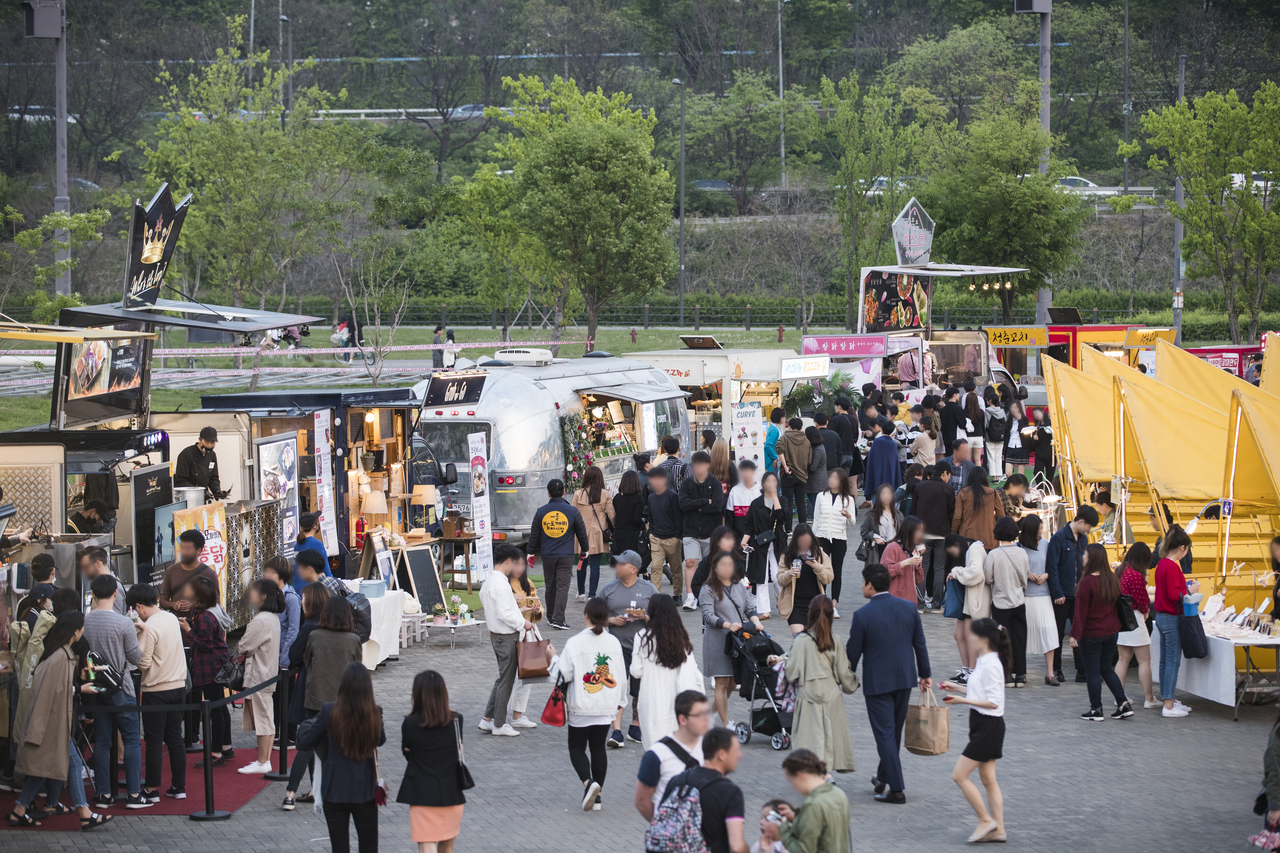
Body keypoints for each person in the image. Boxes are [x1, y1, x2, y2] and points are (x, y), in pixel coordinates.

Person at [9, 610, 113, 830]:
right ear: (76, 631)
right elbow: (52, 691)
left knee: (43, 768)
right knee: (72, 763)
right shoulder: (60, 656)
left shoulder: (58, 653)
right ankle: (84, 812)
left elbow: (53, 688)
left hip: (50, 723)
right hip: (52, 724)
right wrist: (79, 687)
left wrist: (77, 683)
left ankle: (19, 810)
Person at [846, 563, 932, 804]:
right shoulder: (908, 608)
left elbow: (853, 654)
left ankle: (896, 789)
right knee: (892, 732)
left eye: (863, 582)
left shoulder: (862, 615)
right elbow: (920, 643)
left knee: (885, 734)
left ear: (870, 585)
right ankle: (883, 777)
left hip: (878, 682)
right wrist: (925, 673)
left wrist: (844, 675)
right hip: (905, 678)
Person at [296, 662, 385, 853]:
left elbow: (306, 742)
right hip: (365, 790)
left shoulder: (329, 711)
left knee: (339, 847)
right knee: (369, 846)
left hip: (335, 789)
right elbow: (380, 740)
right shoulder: (374, 712)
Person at [551, 597, 627, 812]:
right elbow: (621, 674)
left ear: (586, 615)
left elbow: (562, 673)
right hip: (606, 704)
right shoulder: (613, 642)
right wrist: (621, 701)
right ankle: (598, 795)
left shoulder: (575, 642)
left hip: (581, 704)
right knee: (598, 748)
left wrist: (552, 658)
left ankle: (588, 783)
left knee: (576, 747)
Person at [940, 617, 1009, 843]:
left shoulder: (992, 664)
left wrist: (961, 701)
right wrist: (958, 687)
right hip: (983, 724)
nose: (968, 638)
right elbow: (978, 690)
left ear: (985, 640)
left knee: (959, 775)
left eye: (973, 635)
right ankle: (999, 830)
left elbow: (994, 702)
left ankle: (985, 820)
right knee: (989, 779)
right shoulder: (984, 660)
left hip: (988, 727)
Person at [83, 573, 148, 809]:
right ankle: (133, 795)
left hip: (96, 688)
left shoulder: (84, 622)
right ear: (115, 594)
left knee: (102, 742)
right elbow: (136, 658)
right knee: (131, 740)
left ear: (93, 595)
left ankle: (103, 795)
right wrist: (143, 634)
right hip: (122, 687)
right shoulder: (123, 623)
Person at [779, 596, 857, 774]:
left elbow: (791, 674)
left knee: (811, 743)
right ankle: (827, 776)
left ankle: (819, 779)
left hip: (809, 699)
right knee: (832, 741)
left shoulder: (801, 641)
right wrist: (853, 684)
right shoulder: (835, 640)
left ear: (810, 614)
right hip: (832, 698)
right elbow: (844, 674)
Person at [128, 583, 188, 803]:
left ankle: (152, 789)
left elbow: (142, 663)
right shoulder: (171, 617)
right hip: (178, 686)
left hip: (156, 688)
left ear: (139, 607)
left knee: (153, 740)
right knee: (175, 738)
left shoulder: (149, 626)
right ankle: (178, 786)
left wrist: (138, 635)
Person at [398, 670, 466, 853]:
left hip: (421, 792)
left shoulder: (410, 724)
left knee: (426, 843)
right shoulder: (456, 721)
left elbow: (407, 754)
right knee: (447, 848)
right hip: (451, 791)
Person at [281, 582, 333, 810]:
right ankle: (316, 788)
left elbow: (294, 655)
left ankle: (291, 791)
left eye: (304, 599)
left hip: (310, 690)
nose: (301, 603)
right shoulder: (335, 626)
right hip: (331, 692)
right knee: (316, 743)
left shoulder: (310, 628)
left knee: (306, 742)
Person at [599, 550, 658, 747]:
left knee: (639, 689)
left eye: (621, 564)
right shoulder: (608, 590)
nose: (617, 567)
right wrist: (611, 621)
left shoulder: (649, 590)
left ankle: (635, 726)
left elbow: (661, 618)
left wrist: (644, 618)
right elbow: (594, 619)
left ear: (633, 569)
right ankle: (616, 731)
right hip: (616, 648)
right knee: (616, 687)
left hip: (642, 648)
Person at [1070, 543, 1134, 721]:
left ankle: (1096, 709)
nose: (1083, 558)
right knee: (1106, 668)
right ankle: (1123, 703)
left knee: (1092, 670)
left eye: (1085, 555)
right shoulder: (1112, 578)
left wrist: (1075, 635)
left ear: (1091, 559)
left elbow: (1080, 613)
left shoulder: (1086, 582)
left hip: (1091, 633)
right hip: (1111, 630)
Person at [630, 597, 703, 750]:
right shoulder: (681, 637)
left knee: (655, 752)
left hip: (651, 701)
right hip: (677, 700)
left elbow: (636, 671)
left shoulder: (642, 637)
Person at [660, 727, 749, 853]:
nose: (740, 755)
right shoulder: (730, 792)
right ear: (722, 755)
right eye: (736, 751)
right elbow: (737, 847)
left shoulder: (677, 781)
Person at [700, 552, 764, 727]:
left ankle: (708, 713)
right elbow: (707, 615)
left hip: (737, 642)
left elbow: (750, 608)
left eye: (730, 564)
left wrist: (756, 621)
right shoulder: (708, 588)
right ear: (714, 567)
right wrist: (727, 625)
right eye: (723, 565)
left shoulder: (738, 586)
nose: (728, 568)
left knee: (732, 683)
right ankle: (727, 723)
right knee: (721, 682)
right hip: (717, 641)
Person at [479, 543, 535, 737]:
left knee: (503, 678)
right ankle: (500, 724)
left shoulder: (489, 582)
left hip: (497, 635)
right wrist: (523, 624)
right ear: (509, 561)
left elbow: (500, 612)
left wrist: (519, 614)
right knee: (506, 680)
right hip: (506, 636)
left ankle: (488, 719)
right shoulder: (501, 584)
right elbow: (504, 613)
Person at [634, 689, 710, 821]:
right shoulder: (657, 754)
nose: (706, 720)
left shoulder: (712, 748)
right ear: (683, 719)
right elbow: (641, 801)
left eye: (707, 713)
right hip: (671, 837)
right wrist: (663, 826)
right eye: (699, 715)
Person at [180, 576, 231, 770]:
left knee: (214, 709)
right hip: (217, 665)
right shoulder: (211, 612)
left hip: (209, 668)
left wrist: (188, 630)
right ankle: (226, 747)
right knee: (220, 706)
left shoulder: (204, 617)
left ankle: (216, 754)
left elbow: (205, 644)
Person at [756, 750, 851, 853]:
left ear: (801, 776)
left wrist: (783, 829)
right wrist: (797, 818)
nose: (793, 786)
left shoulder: (812, 805)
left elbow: (802, 850)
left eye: (792, 781)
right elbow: (825, 830)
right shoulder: (838, 793)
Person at [528, 479, 589, 630]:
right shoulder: (573, 511)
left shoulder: (541, 512)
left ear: (548, 494)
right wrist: (585, 549)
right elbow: (581, 532)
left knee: (550, 586)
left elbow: (534, 535)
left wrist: (530, 552)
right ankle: (558, 619)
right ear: (563, 492)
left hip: (548, 554)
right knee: (562, 587)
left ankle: (551, 617)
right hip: (565, 555)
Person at [237, 579, 283, 775]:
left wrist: (241, 644)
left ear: (263, 596)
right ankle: (264, 759)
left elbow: (244, 646)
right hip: (268, 674)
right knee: (266, 717)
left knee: (263, 718)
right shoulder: (271, 617)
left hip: (259, 675)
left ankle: (263, 760)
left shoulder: (262, 619)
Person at [1046, 506, 1096, 684]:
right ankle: (1057, 669)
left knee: (1080, 632)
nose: (1088, 531)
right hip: (1063, 595)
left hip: (1079, 594)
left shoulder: (1084, 540)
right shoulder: (1059, 538)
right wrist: (1057, 592)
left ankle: (1082, 670)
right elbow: (1052, 567)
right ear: (1081, 522)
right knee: (1057, 634)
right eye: (1088, 527)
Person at [1153, 525, 1197, 718]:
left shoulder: (1162, 564)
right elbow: (1174, 595)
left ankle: (1168, 699)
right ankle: (1169, 704)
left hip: (1161, 616)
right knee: (1172, 661)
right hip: (1171, 617)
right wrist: (1190, 592)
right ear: (1182, 548)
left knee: (1165, 660)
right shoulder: (1171, 566)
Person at [984, 517, 1029, 688]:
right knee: (1020, 638)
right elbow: (1025, 576)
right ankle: (1021, 675)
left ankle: (1006, 675)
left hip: (1000, 602)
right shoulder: (1022, 552)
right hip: (1019, 600)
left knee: (1003, 640)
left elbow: (988, 578)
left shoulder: (994, 554)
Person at [1114, 542, 1157, 709]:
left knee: (1122, 659)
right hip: (1135, 620)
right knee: (1144, 660)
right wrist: (1146, 610)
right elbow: (1142, 601)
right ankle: (1149, 698)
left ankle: (1120, 696)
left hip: (1121, 620)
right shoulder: (1136, 575)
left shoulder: (1120, 572)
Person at [680, 450, 725, 603]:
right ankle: (691, 596)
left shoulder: (715, 483)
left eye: (700, 464)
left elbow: (718, 507)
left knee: (711, 564)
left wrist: (695, 506)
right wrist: (705, 501)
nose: (697, 467)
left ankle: (708, 595)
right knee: (690, 562)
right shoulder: (687, 483)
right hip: (690, 530)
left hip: (711, 532)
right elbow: (683, 504)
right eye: (695, 465)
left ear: (707, 465)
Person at [264, 556, 301, 745]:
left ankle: (289, 735)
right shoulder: (270, 596)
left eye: (270, 572)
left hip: (284, 657)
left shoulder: (291, 598)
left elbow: (293, 629)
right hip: (270, 655)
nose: (266, 575)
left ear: (281, 575)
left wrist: (284, 657)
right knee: (275, 696)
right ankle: (277, 732)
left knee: (287, 697)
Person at [1018, 515, 1058, 685]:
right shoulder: (1018, 547)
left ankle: (1050, 673)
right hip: (1025, 596)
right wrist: (1027, 574)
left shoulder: (1047, 545)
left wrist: (1046, 575)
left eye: (1041, 529)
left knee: (1048, 632)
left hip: (1044, 594)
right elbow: (1015, 568)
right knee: (1023, 635)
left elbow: (1053, 566)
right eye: (1038, 529)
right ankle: (1022, 671)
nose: (1041, 533)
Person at [743, 471, 788, 618]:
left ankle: (785, 605)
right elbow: (749, 525)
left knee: (777, 576)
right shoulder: (756, 503)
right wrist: (744, 540)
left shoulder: (783, 500)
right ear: (763, 484)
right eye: (768, 481)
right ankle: (764, 610)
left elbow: (782, 518)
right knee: (760, 578)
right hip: (760, 544)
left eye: (774, 481)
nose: (771, 484)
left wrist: (775, 496)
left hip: (777, 543)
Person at [811, 468, 855, 616]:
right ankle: (822, 603)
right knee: (821, 570)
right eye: (831, 477)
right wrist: (813, 538)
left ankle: (834, 605)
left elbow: (853, 523)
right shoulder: (821, 496)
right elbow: (816, 519)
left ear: (841, 481)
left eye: (835, 478)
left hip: (839, 538)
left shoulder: (848, 499)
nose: (831, 480)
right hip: (822, 537)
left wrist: (848, 515)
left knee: (836, 572)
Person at [944, 534, 988, 684]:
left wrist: (956, 572)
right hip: (969, 599)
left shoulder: (974, 549)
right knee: (959, 634)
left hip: (974, 599)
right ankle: (966, 669)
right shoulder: (972, 549)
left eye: (952, 550)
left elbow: (977, 574)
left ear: (958, 543)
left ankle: (972, 671)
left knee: (969, 636)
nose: (953, 554)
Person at [506, 557, 544, 729]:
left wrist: (536, 609)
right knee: (507, 676)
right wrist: (515, 602)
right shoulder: (503, 584)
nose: (520, 568)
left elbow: (538, 605)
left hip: (528, 630)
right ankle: (494, 715)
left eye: (523, 565)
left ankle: (517, 715)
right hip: (510, 632)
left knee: (526, 674)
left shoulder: (527, 582)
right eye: (517, 565)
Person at [776, 525, 833, 637]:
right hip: (795, 605)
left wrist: (817, 566)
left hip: (816, 605)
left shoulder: (820, 555)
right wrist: (789, 573)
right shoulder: (787, 556)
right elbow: (780, 580)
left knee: (815, 643)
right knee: (799, 641)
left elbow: (829, 578)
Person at [644, 467, 686, 607]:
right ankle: (656, 596)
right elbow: (651, 517)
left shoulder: (672, 496)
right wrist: (651, 533)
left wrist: (677, 536)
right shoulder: (651, 498)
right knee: (656, 567)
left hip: (672, 538)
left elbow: (678, 517)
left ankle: (677, 595)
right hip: (656, 538)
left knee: (676, 568)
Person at [913, 465, 954, 609]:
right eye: (949, 475)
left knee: (921, 567)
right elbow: (951, 513)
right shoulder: (948, 489)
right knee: (939, 569)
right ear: (944, 473)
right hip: (941, 534)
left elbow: (914, 510)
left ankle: (920, 603)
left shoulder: (920, 486)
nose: (949, 478)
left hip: (922, 534)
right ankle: (936, 604)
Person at [572, 466, 616, 599]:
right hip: (599, 533)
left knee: (582, 562)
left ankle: (581, 592)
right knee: (595, 565)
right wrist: (614, 529)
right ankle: (592, 594)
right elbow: (612, 515)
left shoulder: (578, 494)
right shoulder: (605, 494)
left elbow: (572, 513)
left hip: (581, 533)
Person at [159, 529, 219, 611]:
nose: (183, 552)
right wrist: (173, 604)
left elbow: (216, 604)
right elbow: (162, 601)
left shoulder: (209, 574)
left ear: (198, 551)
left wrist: (194, 606)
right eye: (182, 547)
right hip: (176, 622)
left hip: (199, 622)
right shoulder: (171, 571)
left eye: (188, 548)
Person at [879, 516, 926, 604]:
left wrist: (918, 561)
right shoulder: (893, 547)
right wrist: (905, 563)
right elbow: (884, 573)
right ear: (910, 531)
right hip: (894, 600)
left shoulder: (914, 550)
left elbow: (918, 580)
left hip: (910, 601)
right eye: (918, 531)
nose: (921, 534)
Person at [691, 526, 747, 599]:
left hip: (734, 603)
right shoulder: (707, 561)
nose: (731, 542)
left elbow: (743, 581)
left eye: (732, 539)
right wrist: (706, 600)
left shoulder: (737, 560)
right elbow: (696, 585)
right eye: (727, 539)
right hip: (712, 603)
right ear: (717, 541)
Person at [951, 467, 999, 550]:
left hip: (967, 539)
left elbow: (957, 517)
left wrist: (953, 534)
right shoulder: (992, 493)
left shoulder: (963, 492)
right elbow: (1001, 515)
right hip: (989, 539)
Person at [775, 418, 811, 525]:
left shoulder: (784, 438)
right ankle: (803, 526)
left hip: (787, 475)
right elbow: (809, 460)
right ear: (801, 428)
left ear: (789, 426)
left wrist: (785, 466)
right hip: (802, 475)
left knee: (788, 503)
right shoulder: (806, 440)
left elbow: (779, 449)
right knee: (800, 503)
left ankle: (788, 528)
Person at [173, 426, 223, 499]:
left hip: (203, 498)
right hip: (189, 498)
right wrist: (199, 492)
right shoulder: (186, 455)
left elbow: (213, 478)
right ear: (200, 439)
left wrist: (217, 492)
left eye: (212, 442)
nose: (209, 445)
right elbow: (181, 481)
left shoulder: (212, 455)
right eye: (207, 442)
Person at [858, 483, 901, 567]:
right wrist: (875, 537)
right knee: (877, 576)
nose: (886, 496)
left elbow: (903, 533)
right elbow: (864, 531)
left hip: (894, 548)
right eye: (883, 494)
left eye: (889, 494)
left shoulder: (898, 515)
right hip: (877, 549)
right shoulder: (871, 515)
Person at [863, 417, 902, 504]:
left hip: (877, 475)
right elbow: (894, 462)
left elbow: (872, 459)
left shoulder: (877, 441)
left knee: (876, 497)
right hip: (890, 477)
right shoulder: (892, 443)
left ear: (882, 429)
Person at [79, 547, 127, 615]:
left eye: (86, 567)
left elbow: (116, 620)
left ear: (98, 563)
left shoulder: (114, 587)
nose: (83, 572)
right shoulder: (100, 585)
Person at [611, 470, 648, 556]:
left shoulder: (617, 498)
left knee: (620, 561)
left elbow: (612, 515)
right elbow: (637, 519)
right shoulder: (639, 498)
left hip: (619, 533)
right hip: (633, 534)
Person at [726, 459, 761, 540]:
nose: (744, 474)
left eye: (747, 471)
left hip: (758, 537)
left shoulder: (761, 490)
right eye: (742, 471)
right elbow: (729, 517)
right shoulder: (735, 490)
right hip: (739, 536)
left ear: (753, 472)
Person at [294, 513, 330, 590]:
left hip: (297, 588)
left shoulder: (297, 545)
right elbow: (326, 569)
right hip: (312, 590)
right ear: (314, 526)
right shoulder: (317, 544)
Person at [830, 397, 862, 483]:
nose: (835, 408)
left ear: (839, 406)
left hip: (839, 454)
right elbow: (856, 435)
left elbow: (832, 437)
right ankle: (844, 496)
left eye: (835, 406)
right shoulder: (854, 420)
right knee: (845, 481)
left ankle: (838, 496)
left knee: (836, 481)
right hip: (850, 454)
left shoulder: (835, 420)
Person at [709, 438, 739, 529]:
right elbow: (736, 484)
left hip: (711, 503)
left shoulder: (708, 466)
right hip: (727, 504)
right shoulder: (730, 465)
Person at [803, 426, 827, 521]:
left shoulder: (818, 450)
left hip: (816, 483)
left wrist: (802, 466)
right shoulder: (818, 447)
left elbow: (813, 467)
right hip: (815, 483)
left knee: (815, 505)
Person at [982, 394, 1008, 478]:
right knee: (998, 456)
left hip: (990, 437)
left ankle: (994, 477)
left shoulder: (987, 411)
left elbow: (985, 424)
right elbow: (1005, 422)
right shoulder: (1002, 411)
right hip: (1000, 437)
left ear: (990, 401)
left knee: (991, 457)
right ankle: (998, 474)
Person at [1003, 401, 1031, 476]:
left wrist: (1019, 420)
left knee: (1020, 474)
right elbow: (1006, 437)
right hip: (1010, 447)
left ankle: (1019, 487)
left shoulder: (1025, 420)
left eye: (1016, 407)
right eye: (1012, 407)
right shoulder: (1009, 421)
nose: (1013, 409)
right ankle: (1011, 486)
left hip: (1021, 448)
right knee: (1008, 473)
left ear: (1019, 409)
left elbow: (1023, 433)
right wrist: (1004, 452)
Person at [814, 412, 842, 482]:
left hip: (818, 468)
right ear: (827, 422)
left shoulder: (813, 435)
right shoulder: (835, 435)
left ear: (816, 423)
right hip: (832, 466)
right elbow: (840, 452)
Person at [939, 387, 966, 456]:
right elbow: (962, 424)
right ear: (954, 395)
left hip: (946, 437)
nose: (958, 396)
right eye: (958, 394)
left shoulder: (943, 410)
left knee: (949, 457)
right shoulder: (958, 408)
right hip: (956, 437)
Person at [1030, 407, 1054, 482]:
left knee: (1050, 475)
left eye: (1037, 413)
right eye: (1034, 414)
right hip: (1040, 454)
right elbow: (1033, 446)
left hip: (1051, 454)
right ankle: (1040, 490)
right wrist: (1034, 439)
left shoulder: (1051, 424)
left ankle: (1048, 492)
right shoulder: (1036, 427)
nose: (1036, 415)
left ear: (1043, 412)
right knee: (1037, 473)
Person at [962, 393, 986, 469]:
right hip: (979, 436)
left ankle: (968, 477)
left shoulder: (964, 412)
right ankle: (979, 477)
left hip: (968, 437)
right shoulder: (981, 412)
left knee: (967, 460)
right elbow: (983, 425)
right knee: (977, 459)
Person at [764, 407, 784, 476]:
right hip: (773, 462)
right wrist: (775, 457)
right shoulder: (774, 429)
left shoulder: (776, 427)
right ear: (780, 417)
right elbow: (768, 445)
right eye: (783, 417)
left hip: (777, 460)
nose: (784, 419)